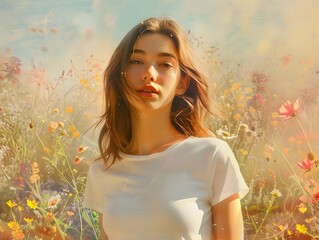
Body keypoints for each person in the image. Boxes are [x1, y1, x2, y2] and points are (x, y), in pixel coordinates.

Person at [83, 17, 249, 240]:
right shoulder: (103, 170)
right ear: (120, 77)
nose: (149, 73)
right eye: (135, 61)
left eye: (165, 64)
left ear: (182, 83)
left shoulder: (211, 156)